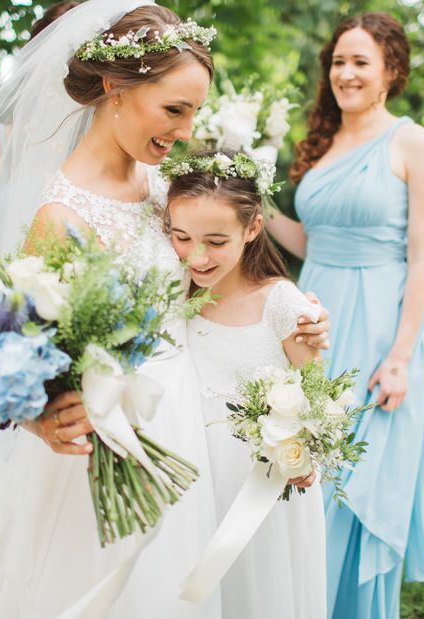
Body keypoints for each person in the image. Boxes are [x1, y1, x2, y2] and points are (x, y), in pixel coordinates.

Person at [0, 0, 330, 618]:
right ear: (115, 88)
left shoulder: (158, 184)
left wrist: (286, 317)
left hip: (187, 422)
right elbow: (15, 352)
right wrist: (41, 417)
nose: (186, 131)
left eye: (194, 113)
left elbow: (212, 276)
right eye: (174, 110)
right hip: (109, 448)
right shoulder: (60, 214)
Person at [266, 12, 424, 618]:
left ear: (391, 71)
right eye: (338, 62)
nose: (345, 73)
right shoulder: (321, 143)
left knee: (357, 479)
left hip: (380, 326)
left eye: (360, 62)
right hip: (316, 313)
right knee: (302, 460)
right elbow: (313, 241)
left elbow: (422, 257)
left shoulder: (415, 143)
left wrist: (400, 357)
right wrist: (255, 206)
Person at [161, 151, 327, 617]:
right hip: (190, 472)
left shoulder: (281, 303)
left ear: (253, 228)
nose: (196, 255)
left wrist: (305, 450)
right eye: (181, 237)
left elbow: (316, 396)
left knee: (255, 591)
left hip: (256, 484)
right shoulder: (172, 292)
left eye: (216, 241)